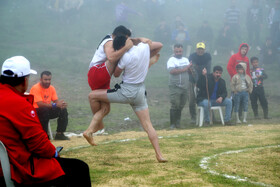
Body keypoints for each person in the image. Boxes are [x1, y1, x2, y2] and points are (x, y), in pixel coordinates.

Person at [0, 56, 91, 187]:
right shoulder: (18, 103)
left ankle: (60, 132)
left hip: (5, 160)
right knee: (79, 168)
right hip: (16, 168)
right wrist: (54, 152)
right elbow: (38, 145)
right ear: (25, 80)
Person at [88, 36, 167, 163]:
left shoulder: (125, 56)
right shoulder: (143, 47)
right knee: (148, 125)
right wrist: (142, 39)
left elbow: (117, 74)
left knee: (92, 95)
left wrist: (121, 63)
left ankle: (92, 129)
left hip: (126, 91)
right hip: (140, 92)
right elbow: (159, 45)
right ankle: (159, 155)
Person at [83, 25, 133, 145]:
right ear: (116, 36)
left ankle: (90, 130)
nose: (122, 43)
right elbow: (111, 58)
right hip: (98, 72)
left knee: (105, 108)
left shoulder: (110, 40)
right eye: (123, 40)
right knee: (115, 58)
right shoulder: (109, 41)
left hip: (98, 76)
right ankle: (96, 126)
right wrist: (126, 48)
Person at [30, 71, 70, 140]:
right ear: (41, 79)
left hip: (47, 110)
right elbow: (40, 104)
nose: (48, 81)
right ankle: (44, 136)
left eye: (49, 79)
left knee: (63, 110)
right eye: (45, 80)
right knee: (44, 110)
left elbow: (55, 101)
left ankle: (59, 134)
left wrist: (61, 105)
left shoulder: (51, 88)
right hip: (36, 111)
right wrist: (55, 105)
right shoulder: (35, 88)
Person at [167, 44, 192, 129]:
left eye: (180, 51)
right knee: (175, 104)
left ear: (182, 51)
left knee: (181, 105)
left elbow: (189, 71)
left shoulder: (186, 60)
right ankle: (172, 124)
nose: (178, 53)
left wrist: (191, 69)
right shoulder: (171, 60)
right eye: (177, 51)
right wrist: (185, 69)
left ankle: (178, 122)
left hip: (185, 86)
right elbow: (172, 71)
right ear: (174, 51)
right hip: (175, 86)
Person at [188, 42, 212, 124]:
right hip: (193, 80)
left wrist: (206, 78)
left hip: (204, 80)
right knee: (191, 100)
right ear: (196, 49)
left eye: (202, 49)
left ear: (204, 50)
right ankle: (193, 118)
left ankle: (210, 116)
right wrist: (196, 81)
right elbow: (193, 69)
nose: (200, 51)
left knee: (208, 97)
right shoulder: (192, 56)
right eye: (199, 49)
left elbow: (208, 68)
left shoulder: (208, 56)